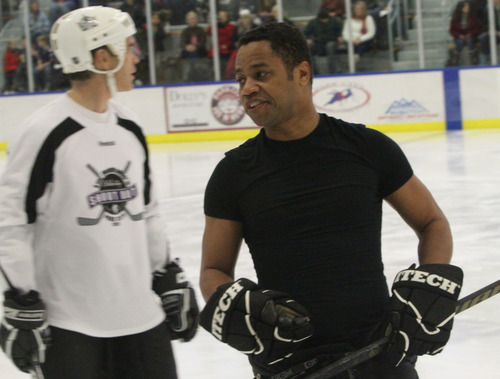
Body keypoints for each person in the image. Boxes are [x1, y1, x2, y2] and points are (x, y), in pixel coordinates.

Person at [198, 22, 463, 379]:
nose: (247, 89)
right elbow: (213, 269)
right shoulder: (232, 174)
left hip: (380, 354)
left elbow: (432, 223)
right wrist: (236, 308)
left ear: (302, 73)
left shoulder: (367, 148)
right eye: (240, 79)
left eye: (260, 74)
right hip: (289, 367)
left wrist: (429, 281)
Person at [0, 6, 199, 378]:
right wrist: (20, 299)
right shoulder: (44, 131)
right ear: (102, 57)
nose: (137, 56)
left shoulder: (131, 126)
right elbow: (12, 220)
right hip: (70, 326)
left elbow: (149, 211)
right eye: (129, 47)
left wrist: (166, 273)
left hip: (142, 319)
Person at [303, 8, 343, 74]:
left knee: (330, 47)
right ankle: (314, 71)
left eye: (326, 19)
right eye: (323, 20)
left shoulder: (334, 21)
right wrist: (307, 38)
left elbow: (339, 30)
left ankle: (332, 70)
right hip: (317, 42)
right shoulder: (313, 22)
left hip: (331, 41)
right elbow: (306, 32)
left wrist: (339, 36)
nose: (325, 21)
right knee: (309, 49)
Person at [448, 1, 482, 66]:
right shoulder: (455, 16)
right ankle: (454, 60)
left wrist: (470, 34)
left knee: (470, 41)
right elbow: (452, 30)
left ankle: (474, 60)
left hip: (471, 35)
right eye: (466, 6)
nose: (468, 7)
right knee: (460, 42)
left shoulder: (472, 15)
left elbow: (477, 27)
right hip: (459, 36)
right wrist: (459, 35)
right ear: (461, 8)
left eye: (468, 6)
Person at [180, 10, 208, 81]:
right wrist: (186, 47)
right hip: (187, 51)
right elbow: (182, 42)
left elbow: (203, 41)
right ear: (187, 21)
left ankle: (194, 74)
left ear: (196, 20)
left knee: (194, 53)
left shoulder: (201, 30)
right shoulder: (185, 31)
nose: (192, 20)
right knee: (188, 54)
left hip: (199, 50)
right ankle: (190, 75)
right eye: (190, 19)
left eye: (193, 19)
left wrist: (195, 46)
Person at [206, 10, 235, 80]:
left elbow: (232, 39)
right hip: (215, 50)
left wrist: (227, 45)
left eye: (223, 16)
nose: (221, 18)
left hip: (226, 50)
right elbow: (208, 32)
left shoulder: (231, 27)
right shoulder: (215, 26)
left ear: (227, 17)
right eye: (220, 16)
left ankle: (226, 77)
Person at [478, 0, 500, 65]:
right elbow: (484, 24)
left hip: (497, 32)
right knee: (483, 38)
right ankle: (485, 63)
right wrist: (488, 30)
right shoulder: (487, 10)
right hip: (493, 32)